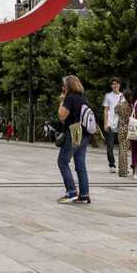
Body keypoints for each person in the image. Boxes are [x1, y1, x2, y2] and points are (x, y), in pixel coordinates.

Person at [55, 74, 91, 204]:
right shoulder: (83, 98)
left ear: (67, 87)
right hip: (86, 133)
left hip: (75, 131)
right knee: (80, 165)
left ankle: (71, 192)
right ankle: (84, 195)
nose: (62, 88)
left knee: (62, 161)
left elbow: (62, 116)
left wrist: (61, 101)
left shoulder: (70, 98)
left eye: (64, 85)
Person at [102, 78, 125, 172]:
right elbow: (106, 110)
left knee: (122, 146)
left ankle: (122, 165)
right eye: (113, 84)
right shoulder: (108, 96)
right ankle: (112, 165)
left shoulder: (123, 96)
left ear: (119, 85)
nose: (115, 85)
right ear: (111, 86)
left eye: (117, 84)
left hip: (121, 124)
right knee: (110, 146)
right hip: (110, 123)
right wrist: (105, 123)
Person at [115, 86, 133, 177]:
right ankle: (123, 171)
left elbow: (115, 110)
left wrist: (120, 100)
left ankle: (122, 170)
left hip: (120, 128)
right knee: (124, 150)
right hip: (128, 128)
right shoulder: (130, 106)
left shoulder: (121, 105)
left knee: (121, 150)